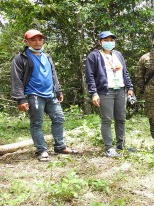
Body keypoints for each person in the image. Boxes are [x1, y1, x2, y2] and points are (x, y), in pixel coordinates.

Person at [11, 29, 79, 162]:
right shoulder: (21, 58)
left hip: (50, 94)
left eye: (40, 39)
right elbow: (16, 79)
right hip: (33, 95)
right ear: (26, 41)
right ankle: (41, 150)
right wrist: (20, 99)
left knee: (59, 118)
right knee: (37, 123)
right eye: (33, 40)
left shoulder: (47, 56)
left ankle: (60, 146)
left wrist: (58, 90)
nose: (37, 42)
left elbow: (53, 74)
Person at [85, 31, 135, 157]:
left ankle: (121, 145)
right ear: (100, 42)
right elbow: (90, 76)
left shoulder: (118, 54)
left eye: (111, 40)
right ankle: (108, 148)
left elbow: (125, 72)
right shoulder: (94, 55)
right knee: (107, 119)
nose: (109, 42)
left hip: (121, 90)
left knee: (121, 119)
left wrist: (130, 87)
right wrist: (94, 93)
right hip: (105, 91)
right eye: (106, 40)